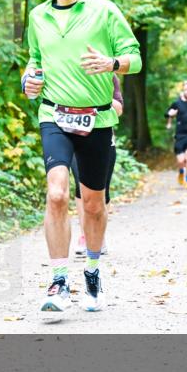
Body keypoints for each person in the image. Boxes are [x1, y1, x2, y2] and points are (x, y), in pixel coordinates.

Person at [22, 0, 142, 313]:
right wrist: (29, 82)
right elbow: (34, 62)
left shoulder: (105, 12)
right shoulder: (38, 16)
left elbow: (135, 59)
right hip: (54, 115)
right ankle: (59, 280)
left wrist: (111, 64)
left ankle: (91, 270)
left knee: (92, 203)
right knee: (57, 193)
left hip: (98, 118)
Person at [73, 75, 123, 256]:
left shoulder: (110, 76)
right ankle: (85, 236)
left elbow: (119, 109)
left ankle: (99, 236)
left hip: (104, 143)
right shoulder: (69, 71)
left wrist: (101, 95)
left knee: (102, 191)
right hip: (75, 139)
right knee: (80, 188)